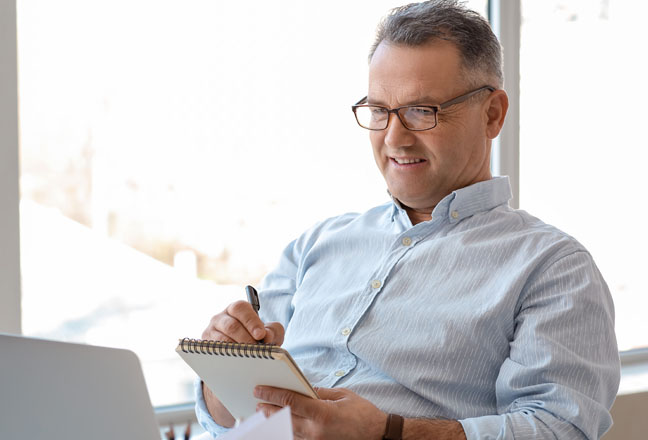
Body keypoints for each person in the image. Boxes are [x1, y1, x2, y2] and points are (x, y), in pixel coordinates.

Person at [194, 1, 620, 439]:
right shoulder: (317, 244)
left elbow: (558, 429)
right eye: (379, 110)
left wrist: (389, 433)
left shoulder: (552, 267)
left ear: (492, 114)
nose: (394, 138)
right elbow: (231, 414)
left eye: (421, 110)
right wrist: (221, 373)